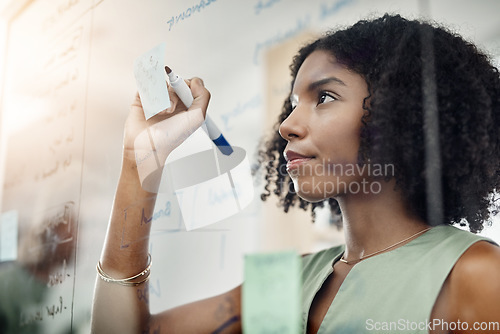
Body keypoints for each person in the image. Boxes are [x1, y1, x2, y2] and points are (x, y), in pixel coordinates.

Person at [91, 14, 500, 333]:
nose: (287, 124)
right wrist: (138, 160)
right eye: (292, 103)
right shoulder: (286, 282)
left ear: (400, 112)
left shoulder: (476, 274)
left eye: (324, 96)